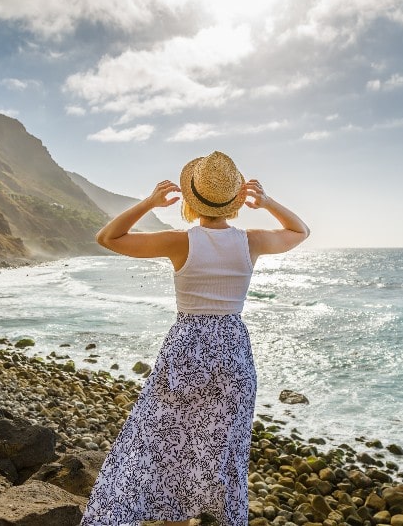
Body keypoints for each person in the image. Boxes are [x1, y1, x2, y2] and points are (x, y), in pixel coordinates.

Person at [80, 151, 309, 526]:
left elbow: (108, 237)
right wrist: (267, 203)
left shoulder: (180, 242)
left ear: (190, 198)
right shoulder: (251, 242)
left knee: (169, 444)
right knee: (223, 451)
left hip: (187, 346)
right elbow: (301, 232)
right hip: (233, 350)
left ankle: (168, 516)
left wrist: (149, 202)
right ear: (234, 201)